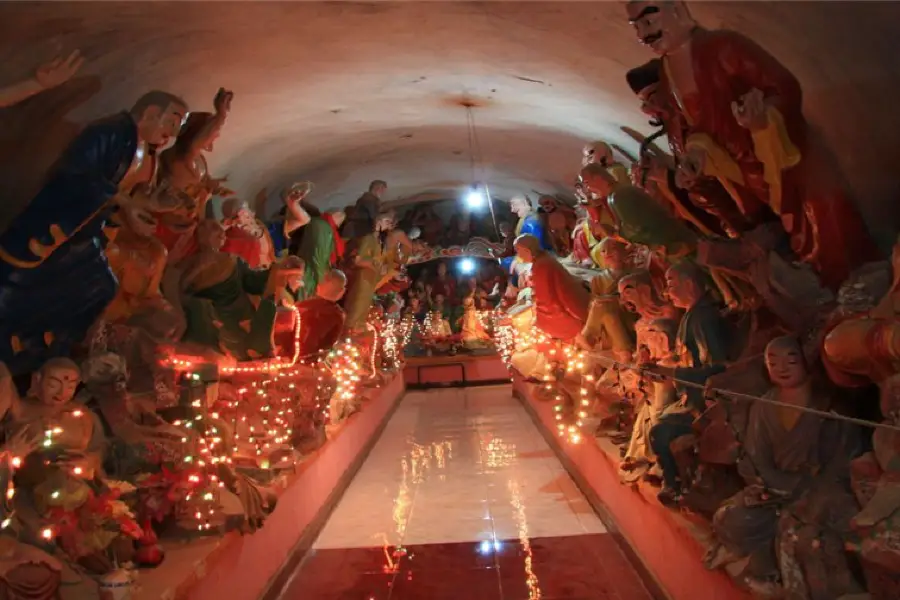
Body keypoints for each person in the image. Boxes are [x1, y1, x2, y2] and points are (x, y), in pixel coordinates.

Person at [0, 90, 187, 376]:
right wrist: (125, 202)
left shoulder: (149, 156)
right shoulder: (108, 133)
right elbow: (75, 174)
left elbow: (128, 200)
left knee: (100, 287)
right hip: (55, 228)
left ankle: (54, 354)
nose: (172, 134)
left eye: (177, 128)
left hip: (88, 234)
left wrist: (146, 208)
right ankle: (18, 354)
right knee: (17, 289)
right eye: (171, 123)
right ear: (150, 113)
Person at [648, 261, 732, 504]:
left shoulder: (703, 318)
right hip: (689, 394)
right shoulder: (692, 315)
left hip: (705, 401)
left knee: (660, 431)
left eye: (671, 284)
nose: (667, 292)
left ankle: (674, 484)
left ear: (690, 285)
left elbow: (716, 369)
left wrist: (673, 373)